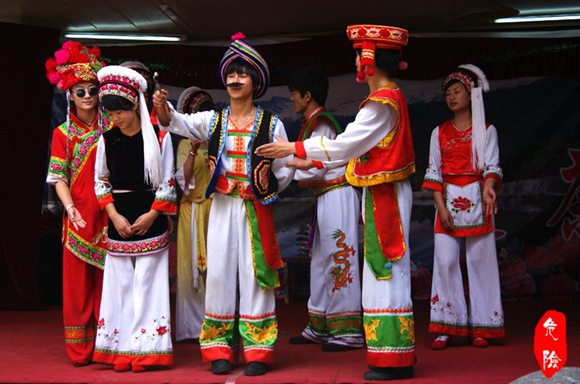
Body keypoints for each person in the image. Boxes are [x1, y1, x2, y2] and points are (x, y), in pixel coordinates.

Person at [256, 24, 416, 381]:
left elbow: (344, 146)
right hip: (380, 192)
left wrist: (292, 149)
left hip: (384, 195)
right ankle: (391, 352)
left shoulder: (382, 104)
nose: (357, 60)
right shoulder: (385, 100)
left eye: (360, 54)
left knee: (384, 271)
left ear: (371, 59)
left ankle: (392, 356)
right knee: (379, 270)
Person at [154, 32, 295, 376]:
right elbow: (178, 122)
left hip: (253, 209)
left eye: (242, 74)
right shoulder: (212, 121)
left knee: (255, 276)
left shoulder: (271, 124)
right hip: (220, 209)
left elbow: (284, 168)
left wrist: (263, 188)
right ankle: (219, 349)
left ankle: (258, 350)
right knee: (218, 275)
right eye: (231, 75)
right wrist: (161, 106)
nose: (234, 80)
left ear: (255, 83)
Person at [92, 65, 177, 373]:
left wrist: (152, 213)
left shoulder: (158, 137)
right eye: (111, 114)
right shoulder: (107, 140)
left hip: (149, 217)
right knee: (121, 284)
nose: (115, 119)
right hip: (119, 221)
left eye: (120, 112)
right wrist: (113, 215)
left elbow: (168, 181)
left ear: (134, 106)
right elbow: (101, 181)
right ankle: (121, 348)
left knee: (147, 283)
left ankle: (148, 350)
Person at [421, 64, 505, 350]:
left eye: (457, 92)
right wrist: (440, 208)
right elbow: (433, 171)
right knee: (445, 263)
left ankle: (483, 326)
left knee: (481, 264)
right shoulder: (439, 132)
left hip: (479, 200)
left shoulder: (486, 130)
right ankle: (447, 326)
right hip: (446, 200)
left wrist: (489, 187)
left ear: (471, 95)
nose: (452, 97)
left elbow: (493, 166)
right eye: (448, 94)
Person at [285, 66, 364, 352]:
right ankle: (319, 326)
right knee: (320, 260)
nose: (291, 99)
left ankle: (348, 332)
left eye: (294, 94)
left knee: (340, 257)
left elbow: (317, 167)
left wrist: (284, 168)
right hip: (326, 195)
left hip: (337, 192)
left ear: (307, 95)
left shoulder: (324, 125)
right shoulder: (313, 124)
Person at [45, 41, 109, 367]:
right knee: (76, 289)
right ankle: (80, 350)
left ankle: (107, 345)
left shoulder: (112, 126)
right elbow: (59, 177)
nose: (86, 96)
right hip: (78, 220)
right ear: (69, 95)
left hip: (109, 215)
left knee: (108, 286)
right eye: (79, 91)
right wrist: (70, 209)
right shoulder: (62, 134)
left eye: (91, 89)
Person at [173, 87, 215, 342]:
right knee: (189, 272)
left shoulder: (219, 140)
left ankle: (216, 323)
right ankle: (191, 328)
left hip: (214, 209)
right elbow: (182, 179)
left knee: (217, 269)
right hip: (191, 211)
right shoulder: (184, 144)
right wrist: (192, 150)